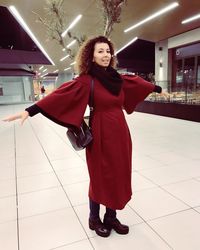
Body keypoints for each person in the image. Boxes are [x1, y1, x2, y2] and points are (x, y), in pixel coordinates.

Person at [2, 36, 168, 238]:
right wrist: (30, 110)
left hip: (121, 134)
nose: (105, 55)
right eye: (100, 51)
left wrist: (159, 89)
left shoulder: (118, 79)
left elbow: (138, 84)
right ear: (91, 55)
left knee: (118, 173)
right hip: (100, 133)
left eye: (108, 51)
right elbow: (59, 96)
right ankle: (94, 218)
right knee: (100, 176)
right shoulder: (86, 80)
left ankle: (111, 217)